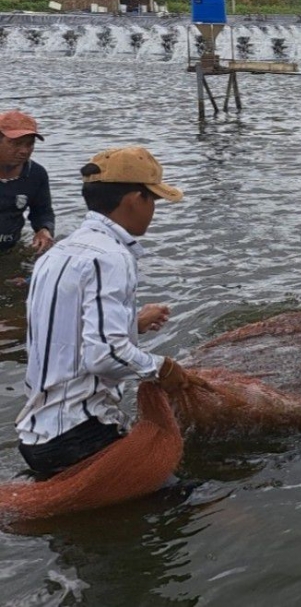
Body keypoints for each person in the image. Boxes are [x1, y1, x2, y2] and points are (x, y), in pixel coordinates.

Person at [16, 145, 205, 476]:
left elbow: (62, 333)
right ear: (134, 199)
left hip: (36, 434)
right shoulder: (112, 257)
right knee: (197, 502)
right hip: (81, 433)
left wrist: (133, 323)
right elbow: (104, 354)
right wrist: (163, 368)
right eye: (154, 200)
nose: (153, 211)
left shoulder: (56, 254)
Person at [0, 110, 55, 256]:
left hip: (9, 248)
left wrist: (44, 230)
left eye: (29, 144)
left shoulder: (36, 174)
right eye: (16, 144)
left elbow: (43, 212)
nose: (24, 151)